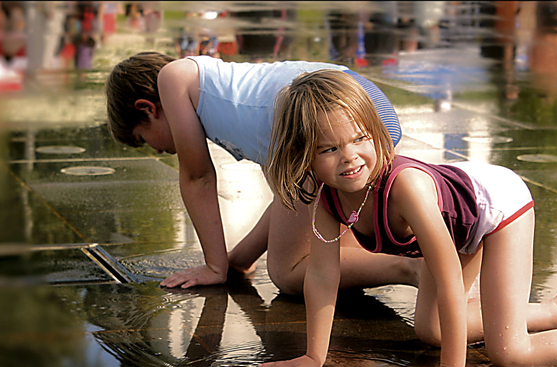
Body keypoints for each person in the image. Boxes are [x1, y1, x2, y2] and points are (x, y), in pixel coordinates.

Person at [254, 69, 557, 367]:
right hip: (459, 215)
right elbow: (323, 278)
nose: (349, 158)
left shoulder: (406, 190)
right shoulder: (328, 200)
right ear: (303, 156)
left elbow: (446, 277)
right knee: (432, 330)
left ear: (376, 132)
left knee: (510, 353)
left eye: (360, 139)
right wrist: (315, 356)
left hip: (497, 207)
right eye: (329, 149)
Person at [105, 52, 417, 293]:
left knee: (289, 271)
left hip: (322, 115)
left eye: (142, 139)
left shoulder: (174, 78)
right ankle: (413, 262)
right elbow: (288, 204)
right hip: (357, 103)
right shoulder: (246, 110)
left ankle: (413, 267)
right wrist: (238, 259)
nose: (155, 150)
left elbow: (197, 177)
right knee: (331, 247)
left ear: (147, 108)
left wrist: (215, 267)